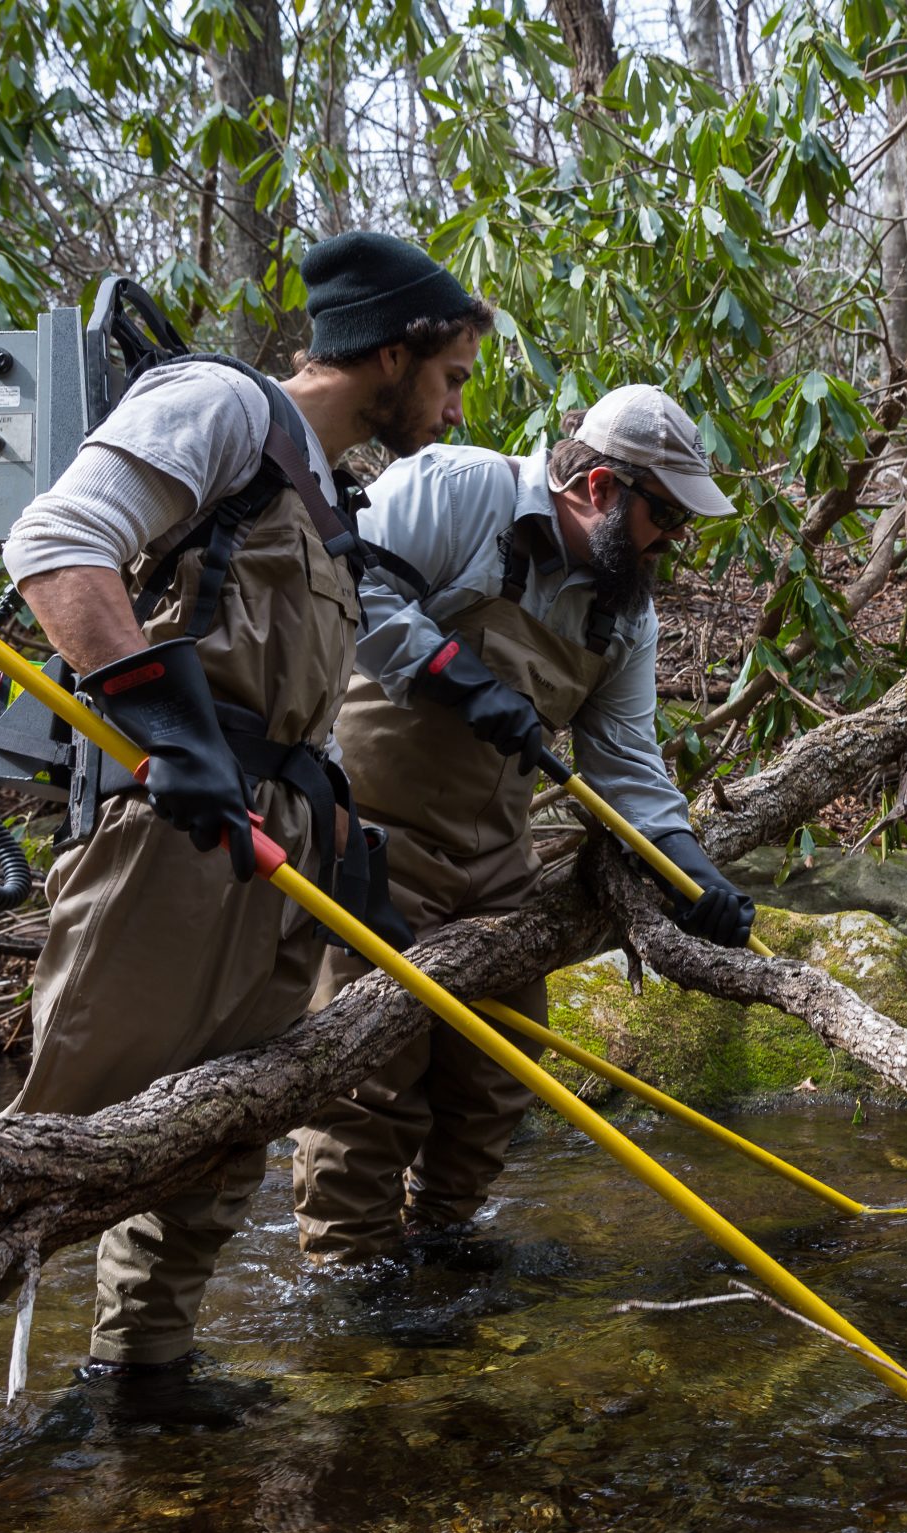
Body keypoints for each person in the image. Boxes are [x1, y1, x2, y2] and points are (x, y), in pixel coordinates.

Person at [0, 233, 493, 1426]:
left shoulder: (332, 496)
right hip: (177, 828)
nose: (455, 401)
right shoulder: (218, 406)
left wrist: (346, 839)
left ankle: (140, 1374)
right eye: (451, 373)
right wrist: (167, 727)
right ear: (394, 348)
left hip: (277, 841)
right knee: (71, 1121)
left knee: (231, 1118)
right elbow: (55, 544)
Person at [290, 384, 755, 1270]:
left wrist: (689, 869)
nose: (675, 540)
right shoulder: (457, 491)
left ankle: (441, 1246)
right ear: (601, 489)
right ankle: (350, 1290)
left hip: (493, 860)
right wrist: (449, 672)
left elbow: (623, 757)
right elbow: (336, 578)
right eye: (665, 514)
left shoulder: (626, 613)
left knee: (499, 1074)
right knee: (372, 1086)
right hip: (367, 837)